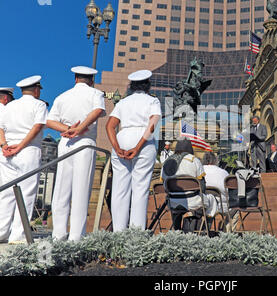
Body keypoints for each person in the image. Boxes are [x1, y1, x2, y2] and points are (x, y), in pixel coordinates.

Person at [46, 66, 106, 241]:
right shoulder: (95, 94)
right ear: (92, 80)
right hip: (85, 141)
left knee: (61, 189)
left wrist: (68, 129)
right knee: (81, 188)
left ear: (75, 79)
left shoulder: (63, 96)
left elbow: (50, 121)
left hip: (65, 142)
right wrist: (79, 129)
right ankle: (76, 236)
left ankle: (58, 234)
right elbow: (97, 111)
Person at [106, 70, 161, 232]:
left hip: (122, 137)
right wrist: (138, 147)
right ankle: (136, 233)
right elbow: (153, 124)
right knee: (140, 188)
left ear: (132, 86)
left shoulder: (123, 102)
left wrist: (116, 147)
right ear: (148, 85)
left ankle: (118, 232)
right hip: (143, 140)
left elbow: (109, 125)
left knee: (119, 189)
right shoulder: (153, 101)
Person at [0, 76, 47, 244]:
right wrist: (20, 146)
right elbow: (38, 126)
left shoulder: (10, 106)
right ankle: (18, 235)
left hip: (7, 152)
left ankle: (2, 231)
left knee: (6, 193)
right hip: (28, 150)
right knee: (26, 193)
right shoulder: (39, 104)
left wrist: (4, 145)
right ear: (36, 90)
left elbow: (0, 127)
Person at [161, 138, 218, 231]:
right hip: (193, 201)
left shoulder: (167, 162)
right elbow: (202, 186)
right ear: (190, 149)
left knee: (177, 204)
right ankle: (201, 227)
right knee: (212, 199)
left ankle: (177, 228)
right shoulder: (194, 160)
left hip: (173, 201)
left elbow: (164, 185)